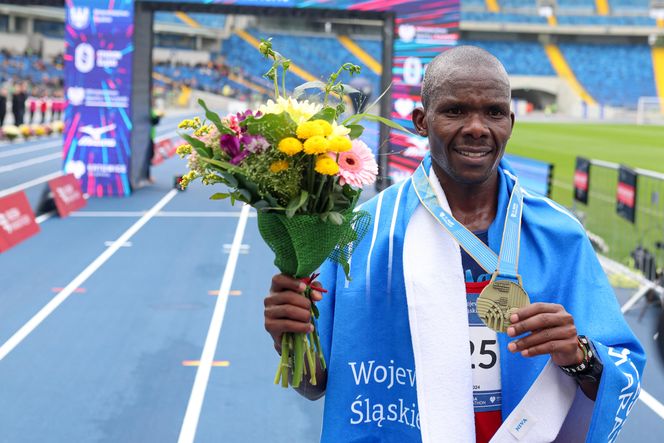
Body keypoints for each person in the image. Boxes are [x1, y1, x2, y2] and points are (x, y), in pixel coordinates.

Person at [264, 46, 645, 443]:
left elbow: (621, 372)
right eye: (456, 111)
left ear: (511, 123)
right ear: (421, 121)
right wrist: (289, 337)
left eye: (494, 112)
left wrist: (581, 355)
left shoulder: (559, 235)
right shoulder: (361, 232)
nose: (478, 127)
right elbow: (314, 385)